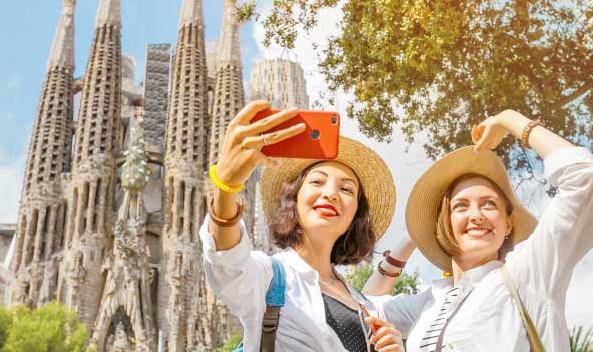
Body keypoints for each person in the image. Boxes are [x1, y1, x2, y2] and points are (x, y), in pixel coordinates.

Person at [362, 109, 593, 351]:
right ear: (445, 223)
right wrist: (413, 236)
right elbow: (365, 306)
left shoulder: (528, 273)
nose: (476, 215)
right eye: (460, 206)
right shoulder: (431, 300)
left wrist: (509, 119)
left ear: (508, 224)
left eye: (489, 204)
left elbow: (584, 179)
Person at [200, 101, 404, 352]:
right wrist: (225, 187)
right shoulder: (269, 278)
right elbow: (227, 261)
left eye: (346, 189)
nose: (331, 194)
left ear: (356, 215)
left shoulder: (365, 306)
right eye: (317, 182)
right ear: (294, 199)